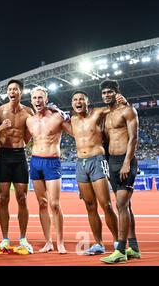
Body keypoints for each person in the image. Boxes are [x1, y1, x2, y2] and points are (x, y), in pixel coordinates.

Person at [70, 90, 119, 255]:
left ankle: (118, 241)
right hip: (80, 164)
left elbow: (115, 108)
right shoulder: (72, 120)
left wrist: (120, 100)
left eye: (81, 99)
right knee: (90, 206)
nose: (78, 102)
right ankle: (98, 244)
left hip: (97, 160)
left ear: (87, 102)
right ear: (72, 104)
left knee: (106, 205)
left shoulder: (97, 113)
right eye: (75, 100)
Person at [26, 86, 72, 254]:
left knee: (54, 204)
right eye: (35, 98)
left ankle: (60, 242)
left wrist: (65, 115)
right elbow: (23, 140)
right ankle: (48, 242)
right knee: (42, 203)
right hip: (35, 162)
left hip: (52, 162)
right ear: (31, 100)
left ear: (46, 100)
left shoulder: (57, 117)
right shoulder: (29, 121)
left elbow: (75, 133)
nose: (37, 101)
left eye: (40, 98)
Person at [99, 80, 141, 264]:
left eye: (110, 92)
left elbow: (133, 139)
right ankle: (135, 248)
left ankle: (121, 250)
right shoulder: (107, 115)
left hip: (126, 160)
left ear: (117, 93)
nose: (107, 95)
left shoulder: (128, 110)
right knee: (127, 207)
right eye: (104, 92)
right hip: (112, 162)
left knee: (121, 206)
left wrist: (126, 163)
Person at [0, 79, 34, 253]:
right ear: (7, 92)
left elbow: (29, 135)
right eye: (10, 89)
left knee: (22, 198)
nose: (12, 92)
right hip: (3, 156)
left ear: (21, 92)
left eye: (15, 89)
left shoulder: (28, 112)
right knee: (2, 198)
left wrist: (22, 143)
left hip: (20, 155)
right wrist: (0, 128)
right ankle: (5, 238)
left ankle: (23, 238)